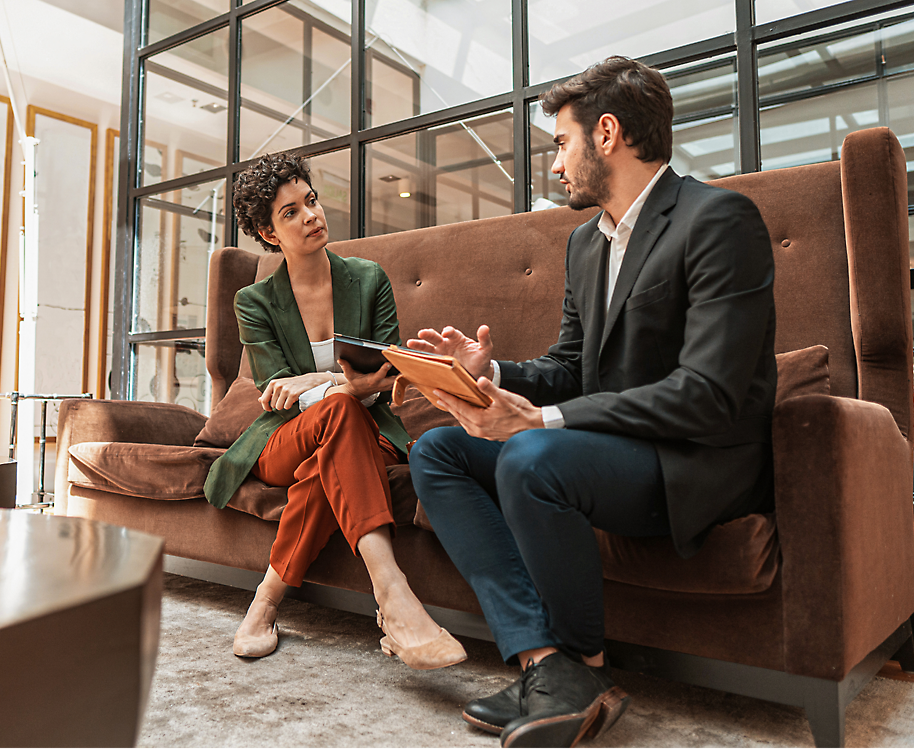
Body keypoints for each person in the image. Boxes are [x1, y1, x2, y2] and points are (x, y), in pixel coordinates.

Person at [407, 56, 775, 749]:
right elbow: (574, 366)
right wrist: (494, 369)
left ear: (607, 133)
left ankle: (586, 666)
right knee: (439, 450)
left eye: (560, 143)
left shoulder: (720, 219)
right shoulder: (584, 244)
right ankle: (551, 668)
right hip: (603, 452)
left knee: (530, 457)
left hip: (690, 461)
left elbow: (710, 393)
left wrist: (539, 419)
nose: (555, 166)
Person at [203, 152, 466, 670]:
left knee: (334, 447)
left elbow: (391, 373)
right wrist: (340, 385)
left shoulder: (368, 279)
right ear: (268, 232)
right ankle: (391, 595)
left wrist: (320, 381)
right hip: (284, 437)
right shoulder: (254, 300)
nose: (311, 216)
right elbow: (278, 393)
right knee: (339, 414)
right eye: (290, 213)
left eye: (312, 201)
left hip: (370, 428)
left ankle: (266, 602)